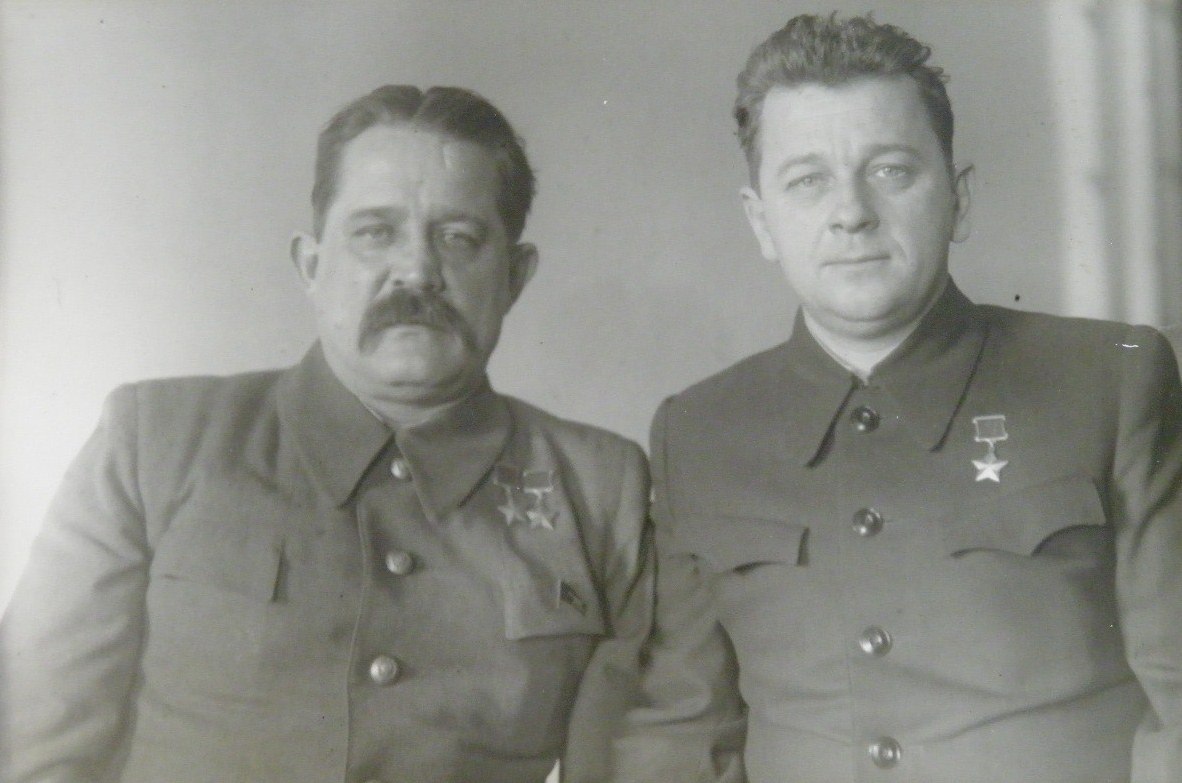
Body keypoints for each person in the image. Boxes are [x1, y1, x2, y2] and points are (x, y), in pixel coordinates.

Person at [0, 85, 651, 783]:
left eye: (459, 239)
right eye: (375, 233)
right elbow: (37, 746)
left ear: (515, 277)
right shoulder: (155, 442)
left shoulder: (598, 486)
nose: (417, 271)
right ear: (311, 266)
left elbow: (644, 755)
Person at [612, 13, 1182, 783]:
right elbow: (683, 735)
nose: (851, 212)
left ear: (958, 198)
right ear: (762, 221)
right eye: (808, 180)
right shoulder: (699, 432)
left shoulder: (1110, 380)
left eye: (890, 170)